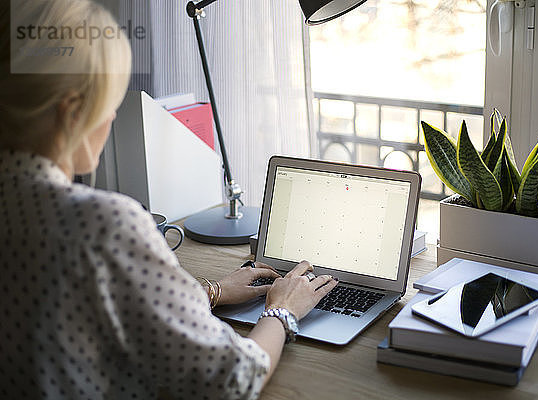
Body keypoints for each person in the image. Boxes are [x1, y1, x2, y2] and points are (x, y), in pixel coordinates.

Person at [0, 1, 337, 399]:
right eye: (110, 101)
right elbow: (233, 378)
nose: (110, 119)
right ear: (72, 111)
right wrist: (283, 310)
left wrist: (212, 291)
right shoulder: (101, 226)